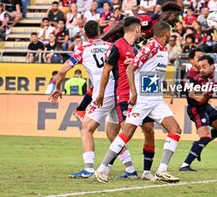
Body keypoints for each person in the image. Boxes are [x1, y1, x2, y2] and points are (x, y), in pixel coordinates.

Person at [94, 21, 181, 183]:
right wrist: (133, 93)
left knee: (175, 129)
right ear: (167, 33)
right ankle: (101, 169)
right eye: (171, 33)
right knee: (126, 133)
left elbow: (153, 71)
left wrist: (167, 87)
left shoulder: (162, 49)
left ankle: (162, 170)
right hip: (143, 100)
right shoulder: (151, 47)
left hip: (156, 100)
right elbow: (130, 69)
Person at [49, 20, 136, 179]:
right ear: (98, 31)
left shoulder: (83, 50)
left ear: (84, 34)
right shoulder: (111, 46)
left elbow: (62, 71)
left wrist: (57, 87)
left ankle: (88, 169)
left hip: (103, 94)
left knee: (86, 129)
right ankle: (130, 170)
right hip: (119, 92)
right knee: (112, 133)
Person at [94, 16, 157, 180]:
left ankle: (144, 171)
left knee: (148, 130)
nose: (141, 32)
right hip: (123, 95)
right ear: (137, 29)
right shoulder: (118, 46)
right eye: (140, 29)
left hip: (139, 96)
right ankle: (113, 168)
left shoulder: (136, 49)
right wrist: (100, 93)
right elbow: (106, 70)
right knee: (120, 133)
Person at [179, 48, 217, 172]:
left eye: (203, 55)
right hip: (196, 109)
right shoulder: (189, 77)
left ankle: (197, 145)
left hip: (206, 106)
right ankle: (185, 164)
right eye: (198, 57)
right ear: (192, 60)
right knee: (206, 135)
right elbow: (193, 97)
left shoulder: (205, 73)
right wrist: (203, 97)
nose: (201, 58)